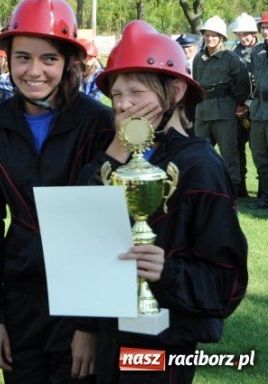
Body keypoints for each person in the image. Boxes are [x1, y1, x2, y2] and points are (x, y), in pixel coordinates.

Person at [79, 20, 248, 384]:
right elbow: (82, 235)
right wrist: (119, 149)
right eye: (116, 94)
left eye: (136, 92)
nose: (123, 105)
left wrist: (167, 272)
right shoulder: (112, 153)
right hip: (106, 338)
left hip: (163, 347)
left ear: (174, 91)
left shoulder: (201, 166)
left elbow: (228, 281)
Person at [0, 0, 114, 383]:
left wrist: (89, 325)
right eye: (23, 57)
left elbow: (104, 228)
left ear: (68, 62)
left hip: (82, 300)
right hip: (20, 295)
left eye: (49, 58)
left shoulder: (99, 124)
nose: (34, 71)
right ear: (7, 58)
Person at [192, 16, 250, 198]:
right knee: (200, 152)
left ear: (221, 38)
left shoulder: (231, 58)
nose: (209, 39)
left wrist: (237, 104)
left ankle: (232, 189)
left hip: (224, 110)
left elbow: (243, 85)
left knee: (229, 153)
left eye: (214, 36)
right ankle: (202, 188)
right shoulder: (198, 59)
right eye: (207, 35)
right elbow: (196, 82)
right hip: (202, 110)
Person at [231, 13, 259, 196]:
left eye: (246, 34)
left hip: (257, 107)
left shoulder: (261, 51)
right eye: (239, 34)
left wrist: (248, 105)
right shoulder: (233, 52)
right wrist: (237, 106)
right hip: (236, 109)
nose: (243, 38)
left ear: (253, 32)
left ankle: (263, 189)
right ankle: (240, 187)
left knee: (258, 150)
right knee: (237, 148)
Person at [251, 12, 268, 209]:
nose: (266, 30)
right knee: (259, 153)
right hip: (258, 109)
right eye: (263, 27)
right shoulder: (256, 53)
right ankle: (265, 194)